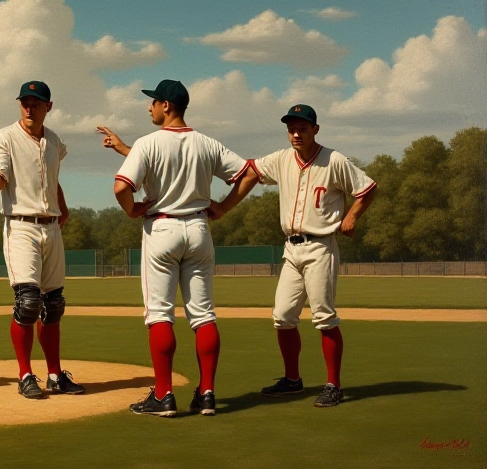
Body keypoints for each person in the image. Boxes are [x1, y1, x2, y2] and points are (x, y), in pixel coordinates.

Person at [100, 79, 255, 416]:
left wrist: (132, 209)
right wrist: (224, 207)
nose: (149, 107)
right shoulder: (207, 143)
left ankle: (164, 395)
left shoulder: (148, 143)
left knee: (160, 314)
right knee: (203, 315)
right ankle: (208, 394)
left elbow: (120, 187)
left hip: (162, 229)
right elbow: (249, 174)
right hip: (199, 229)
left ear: (166, 105)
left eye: (153, 102)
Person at [0, 80, 86, 399]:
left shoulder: (53, 141)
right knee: (28, 303)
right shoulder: (5, 137)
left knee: (53, 306)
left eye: (36, 102)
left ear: (48, 107)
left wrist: (62, 206)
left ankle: (55, 375)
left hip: (52, 227)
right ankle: (25, 374)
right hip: (20, 226)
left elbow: (52, 179)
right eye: (25, 101)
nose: (29, 107)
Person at [239, 104, 377, 408]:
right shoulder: (280, 159)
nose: (296, 133)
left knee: (324, 317)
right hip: (291, 248)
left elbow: (367, 188)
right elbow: (250, 169)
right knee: (282, 317)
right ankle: (292, 380)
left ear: (315, 129)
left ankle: (334, 385)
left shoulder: (334, 160)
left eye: (302, 128)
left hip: (320, 246)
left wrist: (352, 216)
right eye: (291, 128)